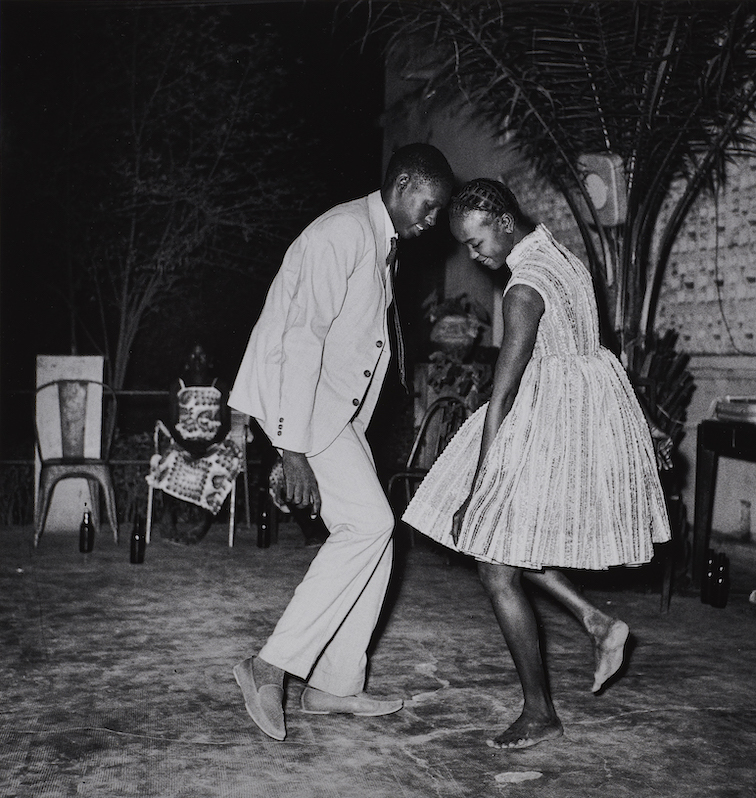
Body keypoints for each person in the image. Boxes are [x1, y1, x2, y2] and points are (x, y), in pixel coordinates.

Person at [402, 179, 672, 750]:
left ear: (504, 222)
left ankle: (540, 711)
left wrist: (478, 489)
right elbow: (592, 346)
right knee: (510, 547)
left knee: (495, 565)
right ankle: (597, 622)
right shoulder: (562, 255)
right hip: (583, 414)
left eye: (477, 244)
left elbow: (501, 395)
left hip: (545, 424)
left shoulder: (523, 288)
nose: (475, 257)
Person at [228, 143, 454, 741]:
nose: (432, 222)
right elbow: (300, 339)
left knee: (377, 536)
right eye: (429, 207)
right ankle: (268, 666)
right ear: (404, 184)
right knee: (372, 527)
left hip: (334, 414)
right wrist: (291, 448)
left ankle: (335, 686)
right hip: (306, 411)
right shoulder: (343, 232)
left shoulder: (377, 240)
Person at [147, 343, 243, 544]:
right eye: (192, 356)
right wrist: (187, 444)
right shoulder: (178, 385)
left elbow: (225, 424)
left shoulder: (219, 385)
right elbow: (173, 422)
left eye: (201, 356)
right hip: (184, 441)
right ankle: (167, 517)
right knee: (171, 458)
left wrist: (209, 444)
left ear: (210, 362)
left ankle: (204, 523)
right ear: (187, 363)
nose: (197, 361)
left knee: (220, 464)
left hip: (215, 443)